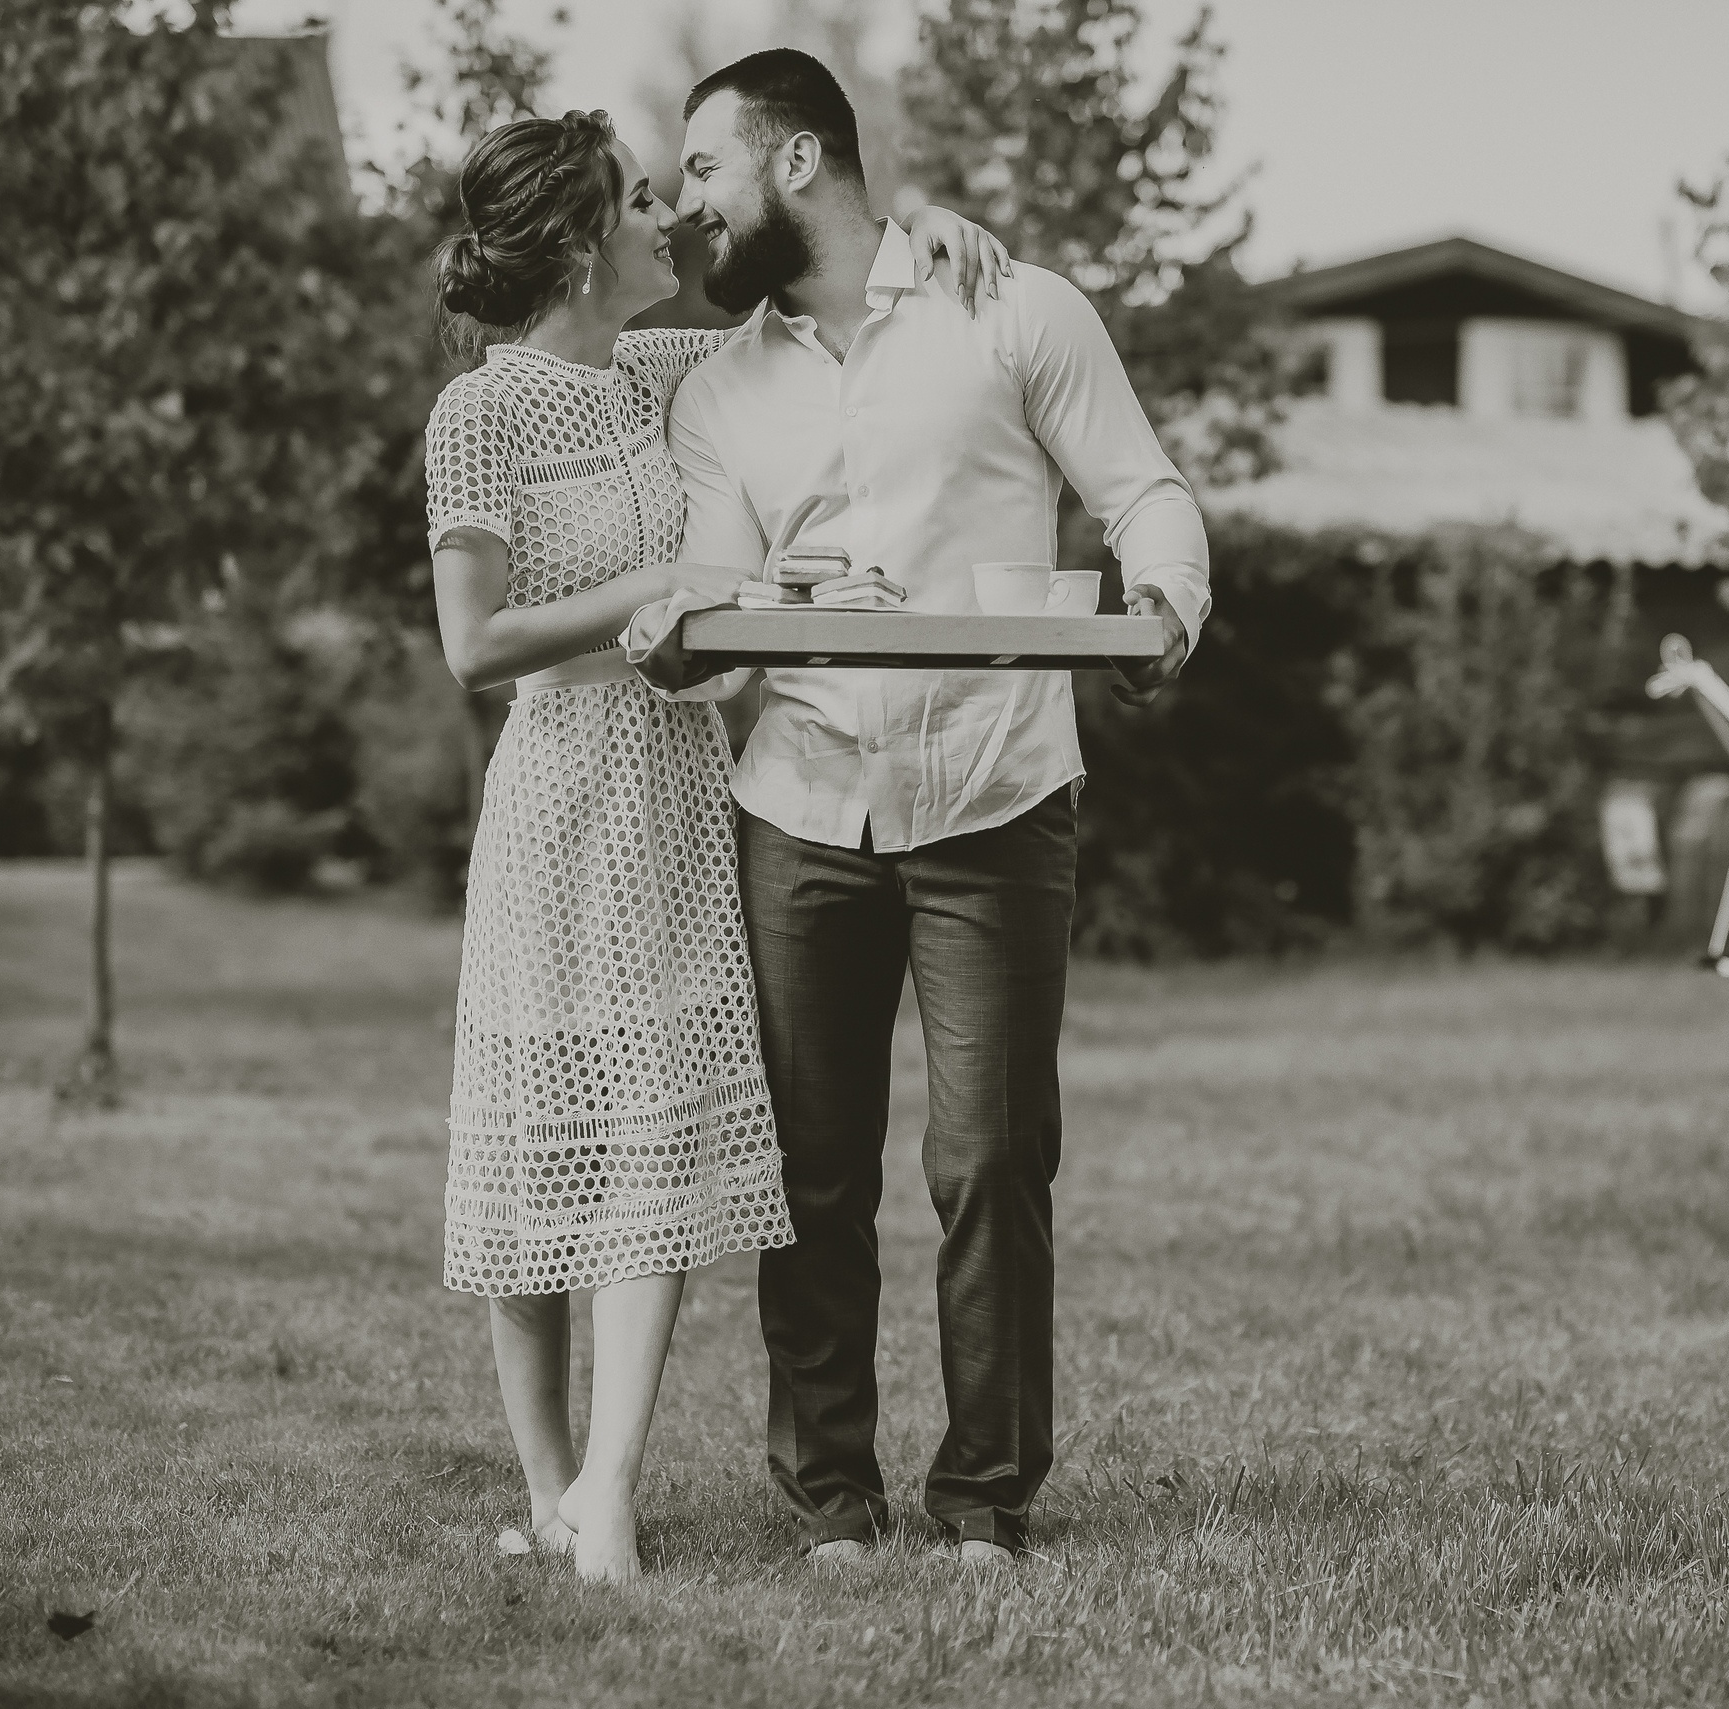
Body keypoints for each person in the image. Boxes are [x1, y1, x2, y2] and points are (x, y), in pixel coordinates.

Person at [421, 107, 1008, 1582]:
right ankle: (555, 1491)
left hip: (681, 794)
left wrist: (923, 235)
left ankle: (611, 1487)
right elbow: (472, 640)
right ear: (569, 245)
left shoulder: (669, 370)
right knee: (528, 1160)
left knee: (657, 1140)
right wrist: (661, 585)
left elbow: (821, 309)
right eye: (633, 203)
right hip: (556, 796)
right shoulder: (477, 416)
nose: (664, 222)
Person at [661, 50, 1210, 1566]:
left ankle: (984, 1497)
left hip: (995, 794)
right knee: (813, 1171)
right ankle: (831, 1495)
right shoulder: (718, 394)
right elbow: (712, 613)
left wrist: (1166, 602)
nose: (690, 202)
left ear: (793, 163)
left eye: (704, 167)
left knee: (989, 1159)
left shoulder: (1013, 309)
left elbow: (1145, 490)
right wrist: (687, 642)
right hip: (804, 808)